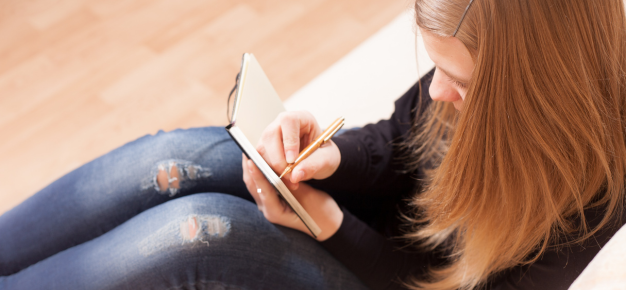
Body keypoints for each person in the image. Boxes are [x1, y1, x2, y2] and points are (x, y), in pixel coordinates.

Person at [1, 0, 625, 289]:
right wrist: (335, 156)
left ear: (529, 95)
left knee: (203, 229)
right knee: (200, 157)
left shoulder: (597, 197)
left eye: (458, 81)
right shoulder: (486, 38)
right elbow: (402, 139)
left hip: (406, 281)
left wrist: (329, 226)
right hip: (386, 234)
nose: (436, 90)